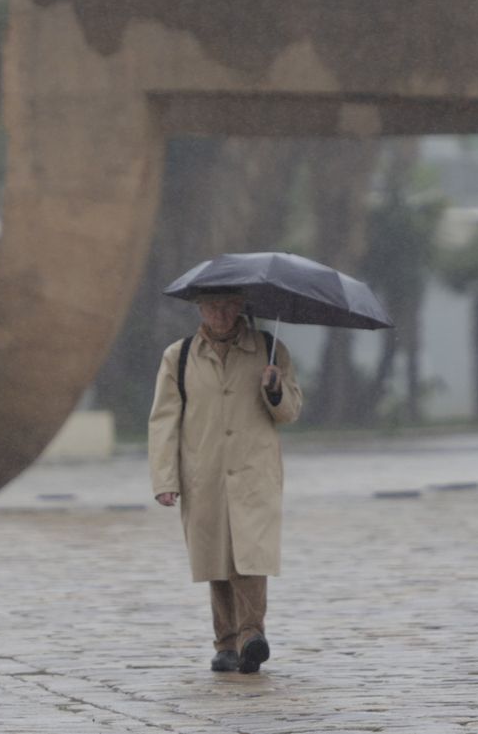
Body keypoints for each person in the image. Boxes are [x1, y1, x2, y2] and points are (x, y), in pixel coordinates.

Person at [148, 288, 303, 674]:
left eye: (228, 305)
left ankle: (252, 635)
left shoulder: (270, 349)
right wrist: (164, 478)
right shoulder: (179, 357)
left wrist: (274, 388)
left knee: (250, 553)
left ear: (241, 307)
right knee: (217, 557)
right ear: (199, 307)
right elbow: (164, 421)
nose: (220, 313)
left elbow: (291, 410)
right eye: (212, 305)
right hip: (205, 471)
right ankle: (226, 642)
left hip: (254, 470)